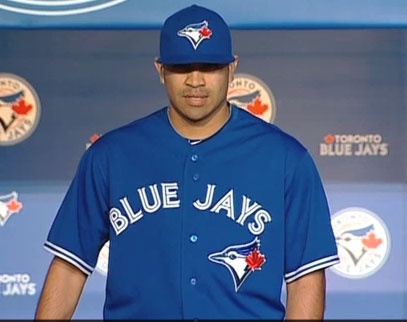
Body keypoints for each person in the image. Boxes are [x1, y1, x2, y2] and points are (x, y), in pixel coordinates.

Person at [35, 4, 339, 320]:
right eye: (182, 67)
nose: (195, 81)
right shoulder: (111, 155)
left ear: (232, 68)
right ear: (160, 69)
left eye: (209, 67)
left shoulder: (286, 159)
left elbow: (305, 279)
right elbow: (70, 267)